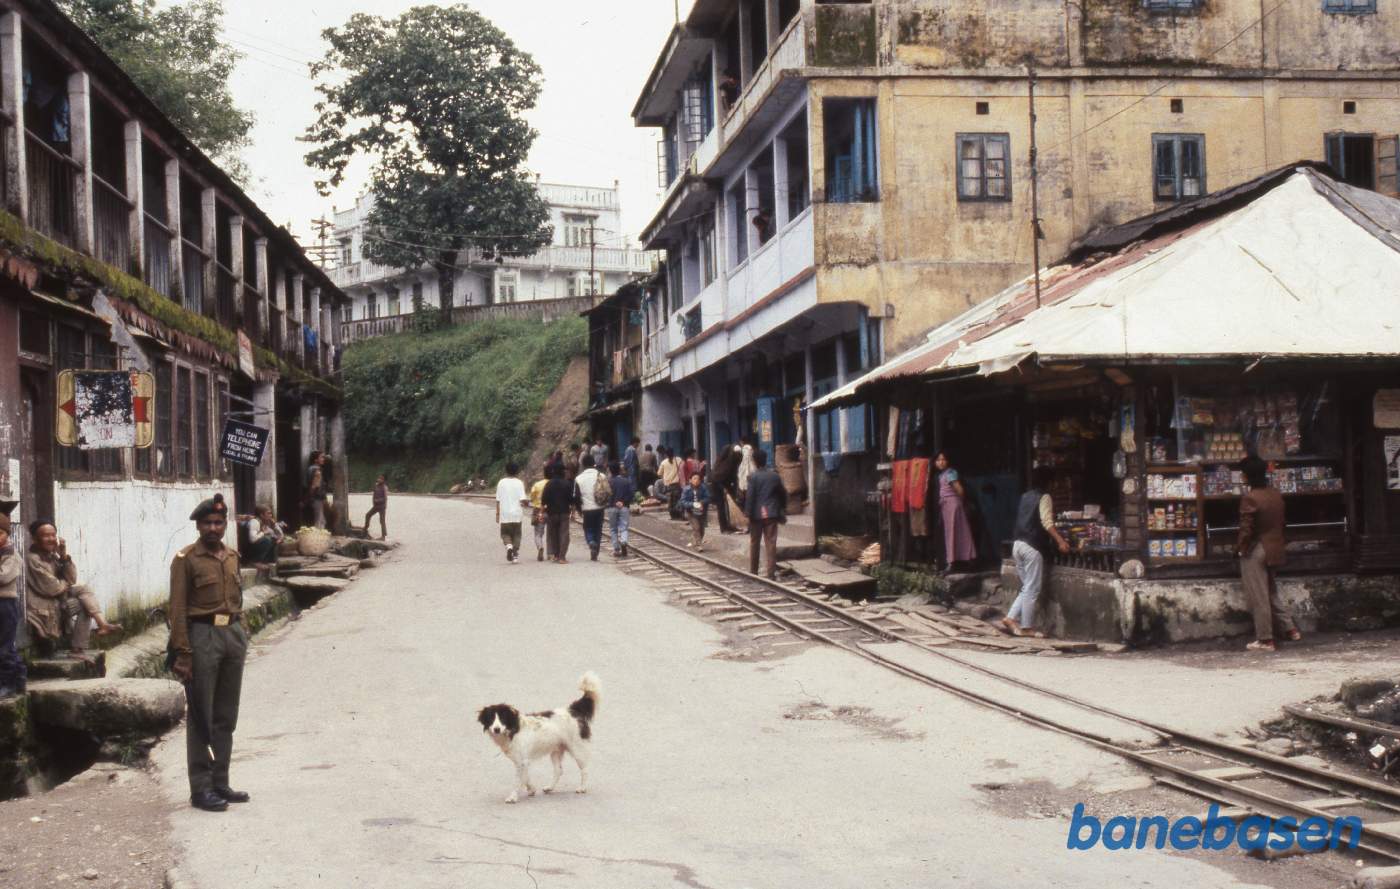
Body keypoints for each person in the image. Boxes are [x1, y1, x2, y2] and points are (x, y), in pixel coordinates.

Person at [169, 493, 249, 813]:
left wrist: (242, 633)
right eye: (207, 523)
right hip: (202, 636)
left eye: (218, 522)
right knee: (202, 715)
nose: (213, 528)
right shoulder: (185, 559)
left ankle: (221, 780)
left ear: (225, 524)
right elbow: (176, 609)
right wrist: (183, 653)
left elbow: (238, 598)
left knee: (226, 715)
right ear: (198, 526)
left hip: (231, 634)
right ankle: (201, 788)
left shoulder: (232, 556)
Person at [25, 520, 121, 656]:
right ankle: (88, 637)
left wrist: (63, 556)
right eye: (46, 536)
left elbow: (72, 578)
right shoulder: (32, 559)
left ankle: (100, 625)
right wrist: (66, 582)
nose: (51, 539)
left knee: (84, 591)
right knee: (83, 602)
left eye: (53, 535)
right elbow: (53, 588)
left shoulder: (52, 556)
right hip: (42, 608)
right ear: (35, 538)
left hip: (57, 602)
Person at [1238, 456, 1301, 652]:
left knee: (1259, 595)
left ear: (1246, 476)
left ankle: (1265, 640)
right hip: (1275, 547)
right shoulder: (1275, 494)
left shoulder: (1250, 497)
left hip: (1258, 549)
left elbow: (1247, 529)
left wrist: (1241, 548)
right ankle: (1290, 629)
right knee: (1271, 591)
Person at [1003, 468, 1071, 638]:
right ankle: (1026, 627)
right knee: (1032, 589)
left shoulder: (1025, 496)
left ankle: (1010, 618)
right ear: (1050, 482)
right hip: (1032, 547)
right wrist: (1061, 541)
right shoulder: (1044, 497)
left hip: (1017, 544)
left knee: (1027, 587)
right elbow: (1047, 522)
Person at [744, 450, 787, 578]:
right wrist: (782, 508)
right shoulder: (774, 476)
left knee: (754, 542)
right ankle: (771, 573)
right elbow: (783, 494)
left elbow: (750, 497)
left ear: (754, 461)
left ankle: (753, 571)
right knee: (771, 543)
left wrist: (747, 513)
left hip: (756, 515)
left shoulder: (753, 477)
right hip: (772, 513)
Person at [935, 451, 978, 571]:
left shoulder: (950, 473)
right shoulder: (941, 475)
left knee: (957, 532)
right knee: (951, 533)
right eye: (938, 460)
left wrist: (958, 503)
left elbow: (960, 490)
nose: (941, 462)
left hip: (953, 505)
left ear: (947, 461)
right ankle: (956, 560)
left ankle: (959, 560)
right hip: (947, 506)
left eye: (943, 459)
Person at [0, 513, 25, 699]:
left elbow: (3, 577)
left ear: (7, 534)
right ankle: (19, 680)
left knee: (5, 646)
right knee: (5, 645)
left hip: (6, 604)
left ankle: (8, 684)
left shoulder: (11, 555)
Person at [541, 464, 580, 563]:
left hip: (552, 513)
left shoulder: (549, 484)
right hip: (564, 512)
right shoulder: (567, 484)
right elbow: (571, 499)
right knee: (564, 534)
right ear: (563, 472)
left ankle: (556, 555)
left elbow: (543, 500)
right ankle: (562, 557)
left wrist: (541, 513)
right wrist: (573, 511)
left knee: (553, 534)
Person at [575, 455, 608, 561]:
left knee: (588, 528)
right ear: (594, 463)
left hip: (587, 509)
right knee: (598, 528)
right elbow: (607, 491)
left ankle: (591, 542)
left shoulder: (578, 478)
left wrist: (578, 510)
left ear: (583, 465)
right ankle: (596, 551)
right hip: (599, 508)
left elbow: (576, 496)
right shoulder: (601, 475)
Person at [494, 462, 529, 564]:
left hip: (505, 514)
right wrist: (527, 503)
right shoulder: (519, 483)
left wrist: (497, 514)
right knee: (517, 534)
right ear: (517, 471)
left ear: (506, 471)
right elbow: (523, 500)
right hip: (517, 514)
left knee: (505, 534)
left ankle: (509, 546)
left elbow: (498, 500)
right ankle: (515, 556)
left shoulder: (501, 482)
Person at [242, 504, 284, 578]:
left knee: (273, 539)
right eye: (268, 513)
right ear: (261, 515)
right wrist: (263, 533)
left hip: (255, 547)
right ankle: (254, 562)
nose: (271, 515)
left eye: (271, 513)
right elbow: (252, 539)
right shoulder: (254, 522)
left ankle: (269, 561)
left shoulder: (265, 522)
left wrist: (275, 525)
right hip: (248, 551)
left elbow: (279, 535)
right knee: (267, 539)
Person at [710, 444, 743, 534]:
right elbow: (716, 478)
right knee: (721, 507)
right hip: (718, 486)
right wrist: (724, 489)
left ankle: (729, 525)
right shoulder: (723, 465)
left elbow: (733, 476)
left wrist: (734, 488)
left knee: (728, 506)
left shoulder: (733, 462)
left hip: (727, 485)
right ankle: (723, 528)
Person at [607, 461, 635, 559]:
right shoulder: (626, 481)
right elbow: (631, 494)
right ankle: (623, 541)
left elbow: (606, 495)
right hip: (624, 507)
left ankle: (616, 549)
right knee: (624, 527)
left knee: (613, 529)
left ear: (610, 470)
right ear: (619, 470)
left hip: (612, 507)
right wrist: (623, 502)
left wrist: (614, 502)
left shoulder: (608, 482)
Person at [680, 472, 710, 551]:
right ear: (690, 480)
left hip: (701, 511)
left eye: (698, 479)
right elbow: (683, 501)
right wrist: (692, 504)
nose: (696, 481)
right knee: (696, 527)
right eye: (694, 479)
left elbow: (708, 497)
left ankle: (697, 541)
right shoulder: (686, 489)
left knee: (702, 529)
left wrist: (702, 502)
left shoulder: (703, 488)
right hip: (691, 512)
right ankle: (698, 545)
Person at [529, 471, 550, 562]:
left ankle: (540, 547)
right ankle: (551, 553)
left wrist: (535, 501)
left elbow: (532, 497)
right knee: (551, 533)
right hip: (551, 511)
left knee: (538, 534)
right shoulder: (552, 484)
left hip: (538, 510)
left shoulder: (537, 485)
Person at [659, 447, 683, 519]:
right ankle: (678, 514)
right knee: (677, 499)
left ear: (666, 454)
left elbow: (659, 473)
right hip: (677, 484)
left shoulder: (663, 462)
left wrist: (665, 477)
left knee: (670, 500)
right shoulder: (678, 460)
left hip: (668, 484)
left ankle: (672, 515)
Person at [364, 474, 388, 540]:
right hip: (376, 506)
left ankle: (383, 536)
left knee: (382, 521)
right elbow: (374, 495)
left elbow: (385, 498)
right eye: (379, 478)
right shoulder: (376, 486)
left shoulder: (384, 487)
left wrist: (378, 500)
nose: (379, 479)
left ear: (383, 480)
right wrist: (374, 502)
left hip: (382, 507)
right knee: (368, 515)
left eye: (381, 479)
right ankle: (365, 529)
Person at [306, 464, 326, 529]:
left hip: (318, 499)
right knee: (319, 520)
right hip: (317, 499)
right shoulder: (317, 475)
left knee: (321, 520)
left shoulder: (315, 473)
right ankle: (318, 536)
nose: (319, 472)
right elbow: (313, 487)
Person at [737, 439, 756, 505]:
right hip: (751, 468)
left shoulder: (746, 448)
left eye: (741, 443)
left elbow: (746, 458)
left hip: (747, 470)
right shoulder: (750, 449)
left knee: (745, 485)